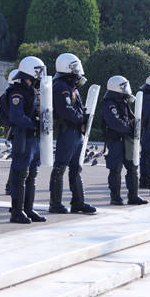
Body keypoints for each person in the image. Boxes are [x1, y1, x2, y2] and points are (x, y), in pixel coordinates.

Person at [49, 53, 96, 214]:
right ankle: (55, 203)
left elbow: (79, 108)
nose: (78, 70)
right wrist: (81, 119)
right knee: (60, 166)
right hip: (67, 130)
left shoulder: (70, 86)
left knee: (76, 168)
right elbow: (66, 111)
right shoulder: (60, 86)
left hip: (75, 131)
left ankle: (78, 202)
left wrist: (82, 119)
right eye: (74, 66)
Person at [6, 56, 48, 223]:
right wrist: (33, 124)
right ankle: (17, 212)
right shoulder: (17, 92)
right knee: (21, 175)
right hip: (23, 137)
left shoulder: (33, 90)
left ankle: (28, 209)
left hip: (33, 138)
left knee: (31, 174)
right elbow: (17, 116)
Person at [102, 75, 149, 205]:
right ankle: (115, 197)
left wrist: (135, 126)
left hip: (127, 140)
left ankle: (133, 195)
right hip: (116, 140)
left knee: (132, 167)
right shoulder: (109, 104)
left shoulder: (123, 102)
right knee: (115, 169)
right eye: (123, 87)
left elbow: (131, 119)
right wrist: (130, 128)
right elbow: (115, 123)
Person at [1, 69, 19, 196]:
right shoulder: (11, 95)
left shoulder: (6, 94)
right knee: (18, 159)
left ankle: (11, 185)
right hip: (14, 129)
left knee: (17, 159)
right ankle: (11, 186)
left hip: (11, 128)